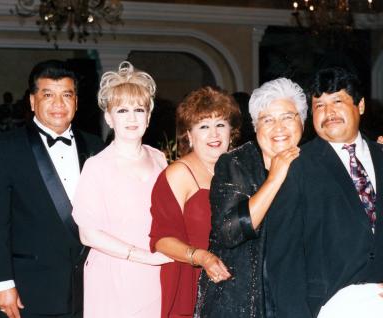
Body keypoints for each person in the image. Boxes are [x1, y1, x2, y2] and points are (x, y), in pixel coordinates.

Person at [0, 60, 104, 318]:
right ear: (32, 101)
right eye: (48, 95)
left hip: (91, 289)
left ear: (77, 102)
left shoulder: (97, 147)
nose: (59, 104)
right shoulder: (3, 148)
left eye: (66, 95)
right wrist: (2, 284)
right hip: (29, 291)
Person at [265, 67, 383, 318]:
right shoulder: (296, 166)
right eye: (319, 105)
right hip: (329, 306)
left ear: (360, 106)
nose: (328, 112)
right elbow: (283, 257)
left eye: (337, 101)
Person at [194, 78, 307, 317]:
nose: (279, 128)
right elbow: (228, 232)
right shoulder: (235, 164)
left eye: (287, 117)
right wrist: (274, 178)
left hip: (297, 298)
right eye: (268, 120)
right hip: (244, 300)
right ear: (256, 127)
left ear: (302, 123)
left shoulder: (313, 165)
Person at [72, 61, 171, 318]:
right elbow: (88, 235)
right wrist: (145, 257)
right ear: (109, 117)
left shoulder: (160, 158)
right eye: (122, 110)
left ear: (148, 116)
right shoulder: (96, 166)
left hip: (156, 273)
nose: (131, 118)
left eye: (139, 109)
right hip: (113, 276)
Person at [149, 86, 241, 317]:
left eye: (220, 125)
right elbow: (162, 240)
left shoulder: (239, 171)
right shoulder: (178, 174)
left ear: (232, 131)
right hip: (191, 288)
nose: (214, 134)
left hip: (237, 287)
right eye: (204, 126)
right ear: (189, 135)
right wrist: (202, 257)